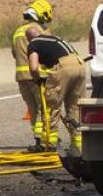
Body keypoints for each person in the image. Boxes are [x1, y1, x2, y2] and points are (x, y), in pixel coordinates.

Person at [25, 24, 87, 152]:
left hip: (64, 66)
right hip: (80, 65)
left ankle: (49, 144)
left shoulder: (33, 44)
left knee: (51, 106)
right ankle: (78, 144)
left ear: (28, 38)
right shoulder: (55, 39)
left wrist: (38, 79)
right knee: (74, 106)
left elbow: (33, 67)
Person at [13, 0, 53, 150]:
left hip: (21, 78)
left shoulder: (17, 32)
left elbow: (14, 53)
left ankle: (39, 139)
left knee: (33, 108)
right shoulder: (39, 31)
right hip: (36, 75)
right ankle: (44, 140)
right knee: (43, 108)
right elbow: (47, 51)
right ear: (41, 16)